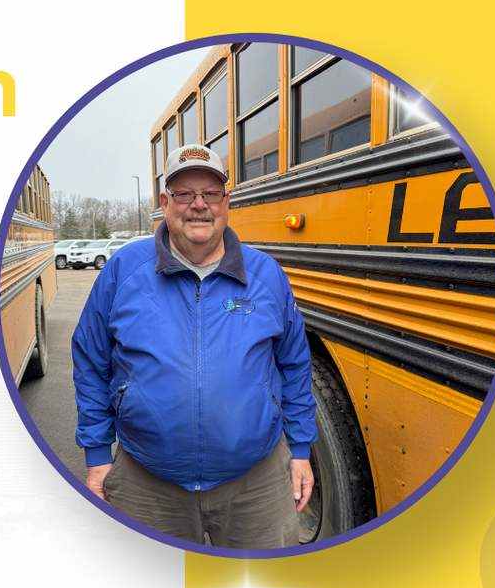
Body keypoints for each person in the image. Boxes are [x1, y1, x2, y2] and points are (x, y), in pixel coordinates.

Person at [71, 143, 316, 548]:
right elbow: (91, 362)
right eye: (184, 194)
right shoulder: (123, 271)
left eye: (211, 193)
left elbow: (294, 364)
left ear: (226, 202)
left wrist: (302, 450)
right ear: (165, 202)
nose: (198, 205)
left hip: (256, 484)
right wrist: (98, 457)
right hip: (146, 483)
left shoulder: (265, 275)